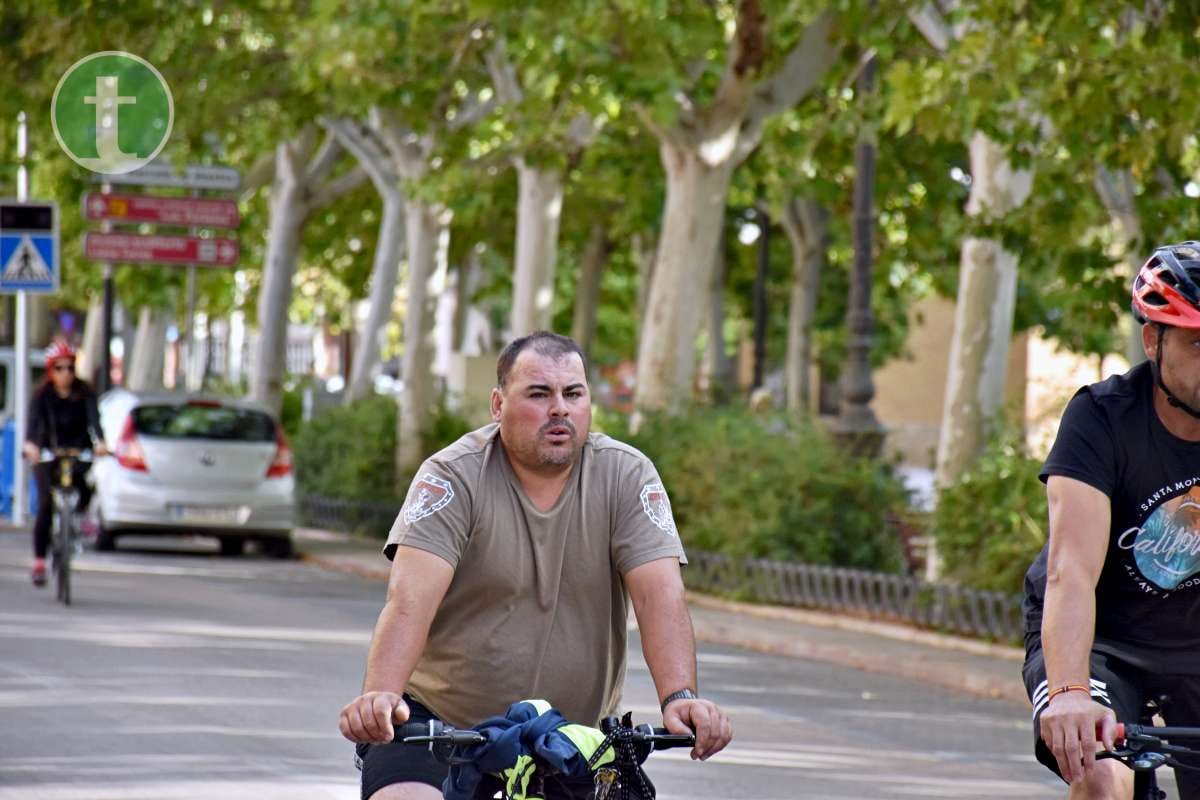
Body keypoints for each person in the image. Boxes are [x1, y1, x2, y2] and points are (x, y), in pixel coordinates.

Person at [340, 331, 733, 800]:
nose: (560, 409)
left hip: (569, 738)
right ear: (497, 404)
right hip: (441, 731)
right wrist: (381, 697)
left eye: (573, 394)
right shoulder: (452, 476)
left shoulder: (627, 475)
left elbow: (659, 596)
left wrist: (680, 698)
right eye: (539, 394)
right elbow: (410, 602)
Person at [1022, 241, 1200, 799]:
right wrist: (1071, 690)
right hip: (1103, 642)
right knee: (1101, 774)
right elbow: (1070, 570)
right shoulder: (1101, 417)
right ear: (1154, 340)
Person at [23, 340, 108, 586]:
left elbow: (95, 420)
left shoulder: (85, 392)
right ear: (51, 370)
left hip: (77, 451)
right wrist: (32, 445)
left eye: (70, 367)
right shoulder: (42, 395)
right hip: (48, 454)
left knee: (83, 488)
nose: (66, 373)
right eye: (59, 368)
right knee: (46, 504)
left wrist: (100, 442)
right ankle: (40, 560)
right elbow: (33, 425)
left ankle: (76, 521)